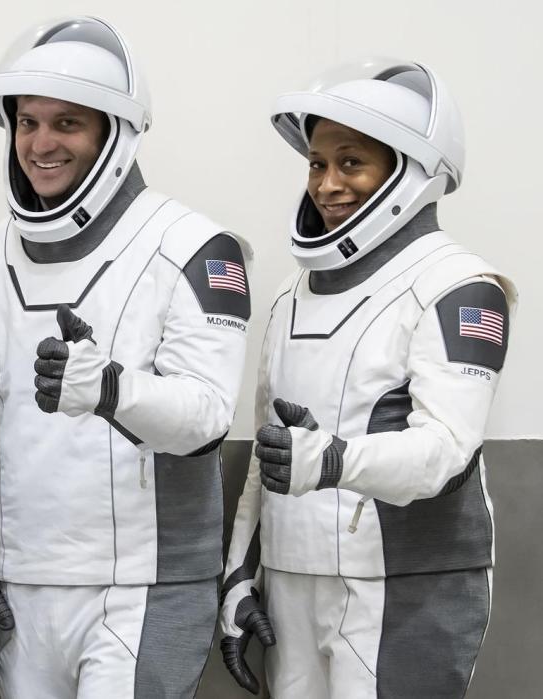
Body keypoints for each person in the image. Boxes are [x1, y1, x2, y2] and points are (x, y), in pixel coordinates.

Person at [0, 16, 252, 697]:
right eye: (27, 122)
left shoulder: (195, 249)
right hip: (22, 582)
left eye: (67, 124)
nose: (41, 143)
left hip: (142, 587)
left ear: (114, 133)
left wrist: (113, 390)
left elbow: (206, 416)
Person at [219, 59, 515, 698]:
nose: (327, 185)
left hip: (403, 588)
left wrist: (332, 460)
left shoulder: (459, 287)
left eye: (350, 163)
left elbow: (444, 452)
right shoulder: (289, 294)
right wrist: (241, 572)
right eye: (317, 164)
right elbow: (266, 454)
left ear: (408, 173)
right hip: (290, 583)